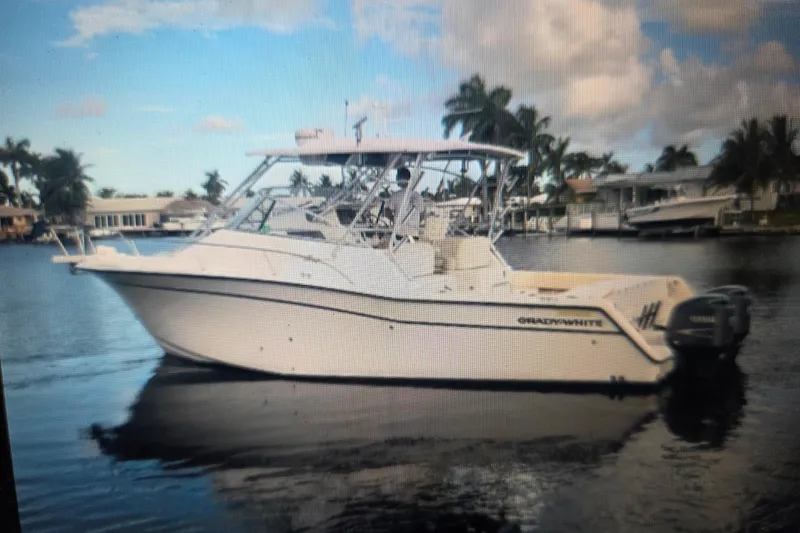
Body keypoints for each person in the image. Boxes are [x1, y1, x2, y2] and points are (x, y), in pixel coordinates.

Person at [385, 167, 425, 239]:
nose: (396, 179)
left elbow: (386, 212)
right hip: (414, 234)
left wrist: (395, 221)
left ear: (400, 178)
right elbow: (422, 214)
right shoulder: (418, 196)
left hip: (399, 234)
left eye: (397, 177)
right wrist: (414, 223)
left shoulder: (395, 195)